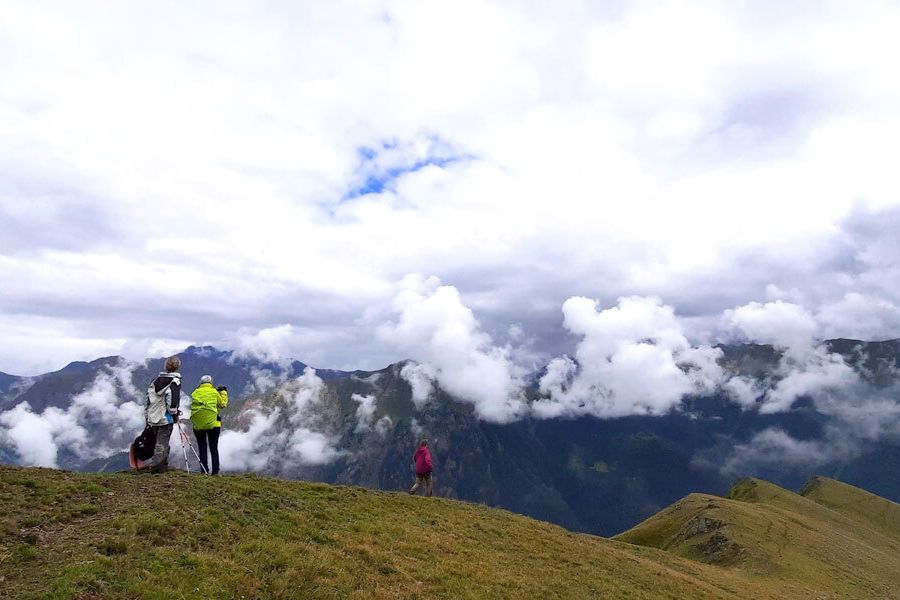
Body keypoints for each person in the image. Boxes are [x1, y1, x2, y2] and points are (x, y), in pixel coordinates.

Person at [140, 355, 182, 473]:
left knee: (156, 441)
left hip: (153, 416)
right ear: (177, 367)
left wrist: (147, 416)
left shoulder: (154, 381)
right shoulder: (174, 382)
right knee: (162, 442)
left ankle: (161, 465)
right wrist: (174, 413)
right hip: (165, 417)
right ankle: (157, 467)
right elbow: (172, 400)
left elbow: (148, 400)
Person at [190, 374, 228, 475]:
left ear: (200, 383)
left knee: (202, 448)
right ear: (211, 383)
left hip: (198, 425)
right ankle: (215, 472)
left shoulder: (195, 393)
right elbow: (223, 405)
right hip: (213, 424)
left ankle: (204, 471)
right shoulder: (214, 392)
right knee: (213, 448)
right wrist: (223, 392)